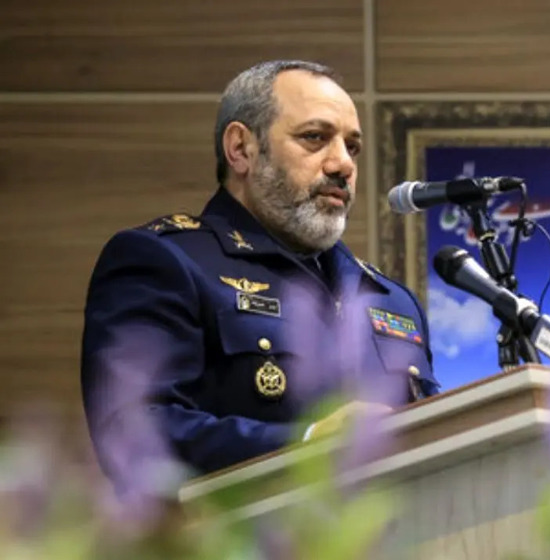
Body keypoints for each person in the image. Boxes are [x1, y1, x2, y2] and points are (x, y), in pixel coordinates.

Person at [80, 60, 439, 493]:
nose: (343, 163)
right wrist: (305, 446)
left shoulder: (390, 299)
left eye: (352, 147)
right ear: (241, 149)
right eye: (315, 138)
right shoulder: (165, 259)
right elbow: (133, 432)